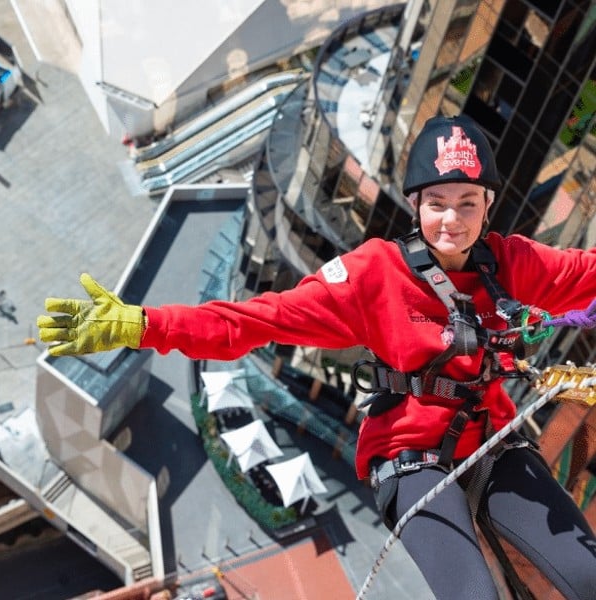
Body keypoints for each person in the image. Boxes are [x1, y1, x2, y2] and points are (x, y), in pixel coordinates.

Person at [37, 114, 596, 599]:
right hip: (409, 454)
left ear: (489, 206)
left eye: (467, 203)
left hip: (492, 440)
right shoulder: (373, 275)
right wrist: (143, 325)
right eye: (437, 204)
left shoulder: (513, 264)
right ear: (415, 204)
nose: (452, 220)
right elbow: (258, 320)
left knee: (587, 575)